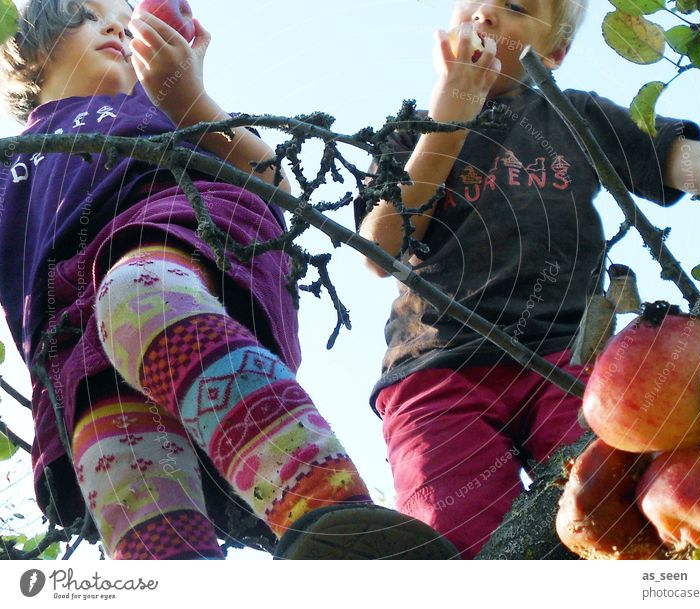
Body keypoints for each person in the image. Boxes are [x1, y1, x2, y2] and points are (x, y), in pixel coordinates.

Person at [0, 0, 458, 560]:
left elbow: (273, 178)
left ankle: (332, 514)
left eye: (124, 14)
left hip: (174, 231)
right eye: (88, 16)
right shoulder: (10, 165)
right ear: (28, 48)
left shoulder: (157, 102)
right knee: (118, 457)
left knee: (139, 297)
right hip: (69, 327)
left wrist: (187, 95)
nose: (118, 23)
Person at [356, 0, 700, 559]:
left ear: (554, 51)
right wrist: (450, 116)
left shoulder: (574, 116)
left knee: (608, 514)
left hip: (568, 358)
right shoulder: (412, 131)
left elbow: (680, 160)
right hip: (438, 369)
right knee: (460, 535)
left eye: (516, 8)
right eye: (472, 5)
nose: (485, 16)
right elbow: (381, 248)